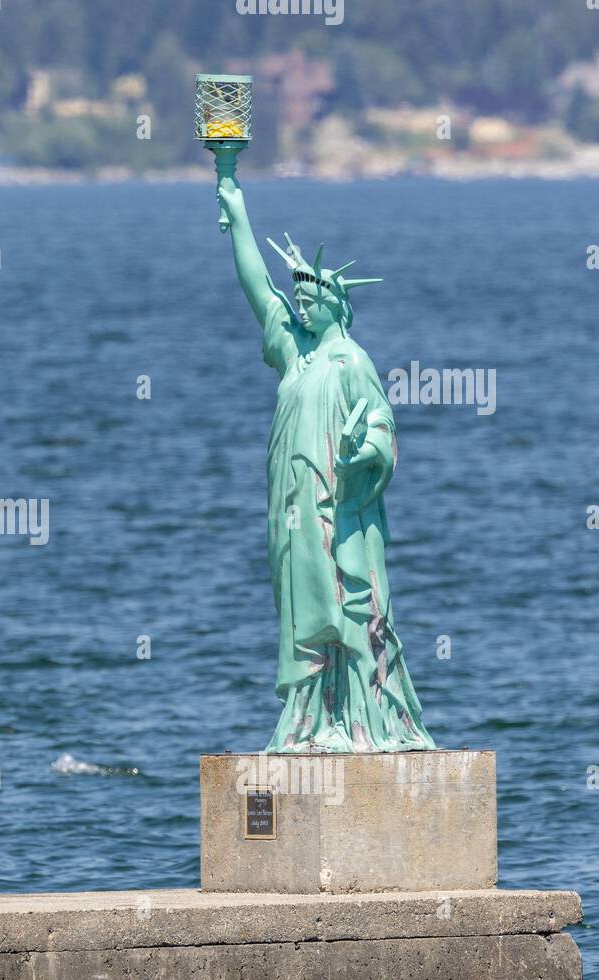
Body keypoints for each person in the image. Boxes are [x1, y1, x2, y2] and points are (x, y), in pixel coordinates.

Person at [217, 176, 435, 753]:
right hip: (290, 509)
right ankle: (312, 719)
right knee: (301, 608)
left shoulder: (349, 360)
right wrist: (236, 209)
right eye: (301, 303)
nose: (303, 308)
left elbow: (383, 424)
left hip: (335, 508)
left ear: (338, 303)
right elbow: (258, 290)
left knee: (345, 604)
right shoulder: (296, 353)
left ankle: (363, 718)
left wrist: (367, 450)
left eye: (313, 301)